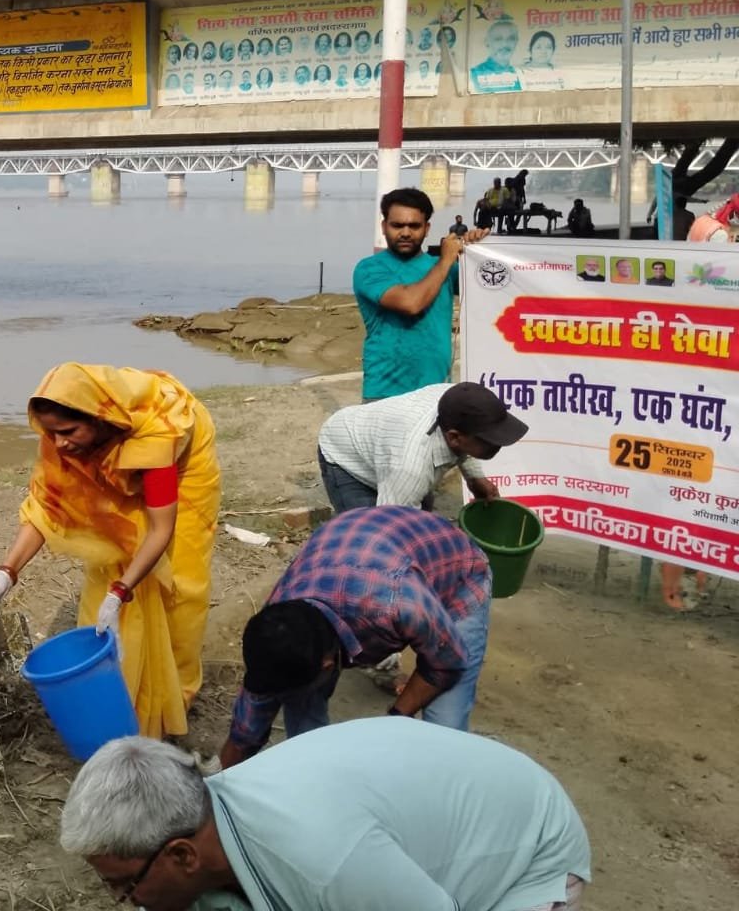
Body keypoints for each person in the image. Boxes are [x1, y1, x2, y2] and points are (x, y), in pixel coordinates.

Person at [61, 724, 590, 911]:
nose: (126, 904)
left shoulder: (326, 859)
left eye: (124, 889)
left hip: (526, 856)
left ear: (181, 855)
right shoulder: (205, 818)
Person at [0, 365, 220, 737]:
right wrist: (6, 572)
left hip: (183, 472)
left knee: (177, 589)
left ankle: (170, 704)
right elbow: (47, 509)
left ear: (99, 417)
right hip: (124, 448)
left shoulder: (157, 435)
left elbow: (161, 528)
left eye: (69, 432)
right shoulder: (61, 435)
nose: (59, 444)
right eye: (51, 433)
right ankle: (120, 693)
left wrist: (122, 590)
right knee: (112, 555)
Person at [218, 504, 496, 766]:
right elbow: (248, 724)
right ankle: (314, 772)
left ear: (329, 665)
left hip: (455, 572)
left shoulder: (396, 605)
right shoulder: (278, 624)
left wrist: (397, 716)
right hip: (361, 546)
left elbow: (446, 662)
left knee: (443, 731)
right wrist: (223, 784)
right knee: (299, 699)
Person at [352, 188, 487, 403]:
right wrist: (446, 260)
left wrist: (481, 248)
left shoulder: (445, 269)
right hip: (384, 394)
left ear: (427, 229)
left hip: (437, 392)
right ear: (384, 227)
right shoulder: (369, 269)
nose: (405, 233)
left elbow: (495, 285)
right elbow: (410, 303)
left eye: (414, 226)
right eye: (397, 225)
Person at [316, 381, 526, 516]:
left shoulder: (457, 400)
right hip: (345, 452)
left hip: (386, 448)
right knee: (367, 540)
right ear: (453, 437)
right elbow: (388, 525)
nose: (499, 444)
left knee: (418, 516)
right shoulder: (411, 467)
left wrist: (475, 478)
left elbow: (467, 439)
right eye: (489, 440)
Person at [470, 18, 523, 94]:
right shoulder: (474, 74)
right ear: (487, 42)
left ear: (516, 42)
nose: (505, 44)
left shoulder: (521, 75)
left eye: (511, 39)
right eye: (498, 39)